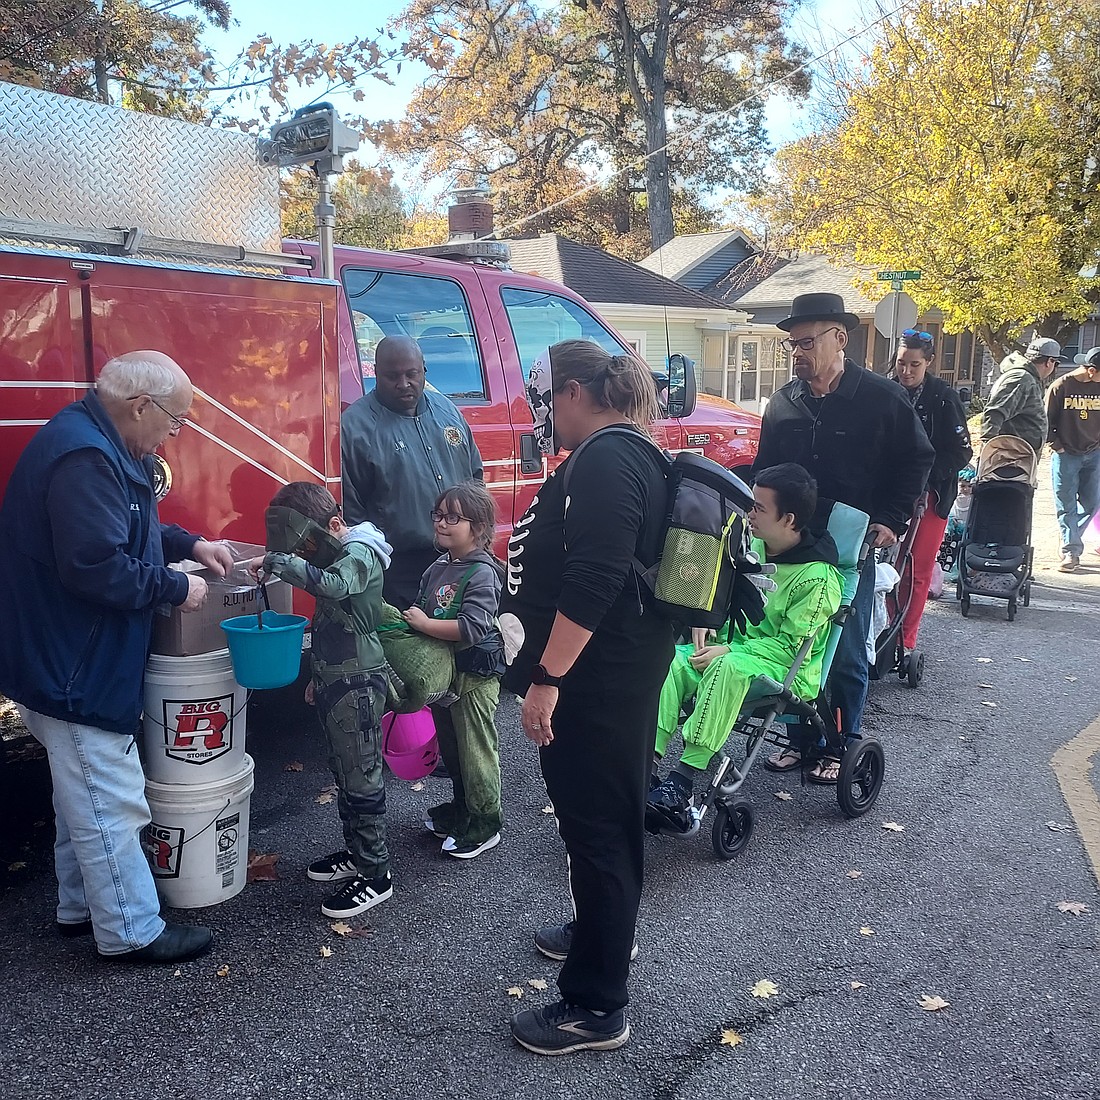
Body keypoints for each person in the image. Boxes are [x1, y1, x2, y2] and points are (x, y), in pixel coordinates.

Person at [0, 351, 233, 963]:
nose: (176, 433)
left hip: (64, 658)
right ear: (140, 407)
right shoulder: (86, 459)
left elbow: (126, 528)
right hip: (74, 664)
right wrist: (177, 586)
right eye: (176, 420)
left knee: (78, 792)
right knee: (110, 799)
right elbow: (96, 567)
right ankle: (130, 929)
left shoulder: (96, 445)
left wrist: (190, 542)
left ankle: (79, 909)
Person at [500, 340, 674, 1055]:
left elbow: (596, 577)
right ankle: (599, 932)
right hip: (616, 673)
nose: (542, 418)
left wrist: (547, 680)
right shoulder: (629, 453)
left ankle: (595, 1007)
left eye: (544, 402)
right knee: (597, 822)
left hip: (596, 682)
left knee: (599, 828)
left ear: (573, 392)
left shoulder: (607, 458)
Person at [753, 293, 934, 783]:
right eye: (793, 343)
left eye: (808, 341)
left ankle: (843, 743)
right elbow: (765, 468)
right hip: (791, 544)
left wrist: (893, 518)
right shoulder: (784, 401)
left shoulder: (882, 397)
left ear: (839, 338)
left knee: (846, 648)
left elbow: (916, 460)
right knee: (789, 641)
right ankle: (801, 741)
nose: (798, 352)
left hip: (853, 543)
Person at [646, 463, 842, 826]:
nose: (748, 514)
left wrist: (731, 650)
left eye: (759, 508)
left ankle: (682, 783)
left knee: (726, 667)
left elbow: (790, 648)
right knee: (669, 658)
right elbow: (719, 595)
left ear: (789, 519)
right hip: (733, 652)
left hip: (785, 669)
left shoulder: (819, 578)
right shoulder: (751, 548)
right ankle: (647, 767)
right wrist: (701, 623)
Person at [251, 482, 394, 919]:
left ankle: (376, 874)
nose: (307, 552)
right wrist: (317, 676)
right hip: (336, 678)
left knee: (361, 778)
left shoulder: (360, 553)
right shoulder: (336, 552)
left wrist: (280, 562)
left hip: (358, 681)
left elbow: (334, 587)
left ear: (335, 525)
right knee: (343, 772)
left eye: (310, 542)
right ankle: (358, 854)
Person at [341, 334, 484, 608]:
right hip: (399, 570)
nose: (403, 384)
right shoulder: (355, 427)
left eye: (411, 374)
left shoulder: (448, 411)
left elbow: (475, 477)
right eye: (392, 376)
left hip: (460, 559)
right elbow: (352, 510)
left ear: (424, 370)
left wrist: (478, 539)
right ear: (376, 374)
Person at [403, 480, 505, 859]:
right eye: (439, 515)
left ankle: (485, 821)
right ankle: (463, 808)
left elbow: (472, 626)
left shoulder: (482, 573)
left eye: (452, 518)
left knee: (476, 750)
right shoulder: (437, 568)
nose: (441, 523)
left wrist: (425, 625)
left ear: (477, 528)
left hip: (475, 676)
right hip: (445, 676)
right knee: (453, 749)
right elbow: (421, 606)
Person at [888, 329, 973, 654]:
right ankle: (877, 631)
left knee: (917, 571)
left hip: (931, 495)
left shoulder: (943, 397)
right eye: (901, 363)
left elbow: (961, 452)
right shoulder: (886, 389)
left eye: (914, 365)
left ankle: (904, 640)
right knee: (883, 568)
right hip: (890, 493)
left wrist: (925, 479)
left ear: (929, 363)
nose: (906, 372)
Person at [1045, 346, 1100, 571]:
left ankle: (1069, 536)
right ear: (1091, 371)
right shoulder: (1061, 386)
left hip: (1094, 453)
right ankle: (1071, 552)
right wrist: (1057, 446)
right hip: (1066, 454)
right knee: (1066, 505)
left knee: (1092, 503)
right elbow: (1046, 420)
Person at [980, 335, 1061, 455]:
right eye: (1056, 363)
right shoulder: (1021, 379)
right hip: (1009, 459)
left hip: (1019, 457)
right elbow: (994, 413)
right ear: (1049, 362)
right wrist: (989, 453)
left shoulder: (1029, 378)